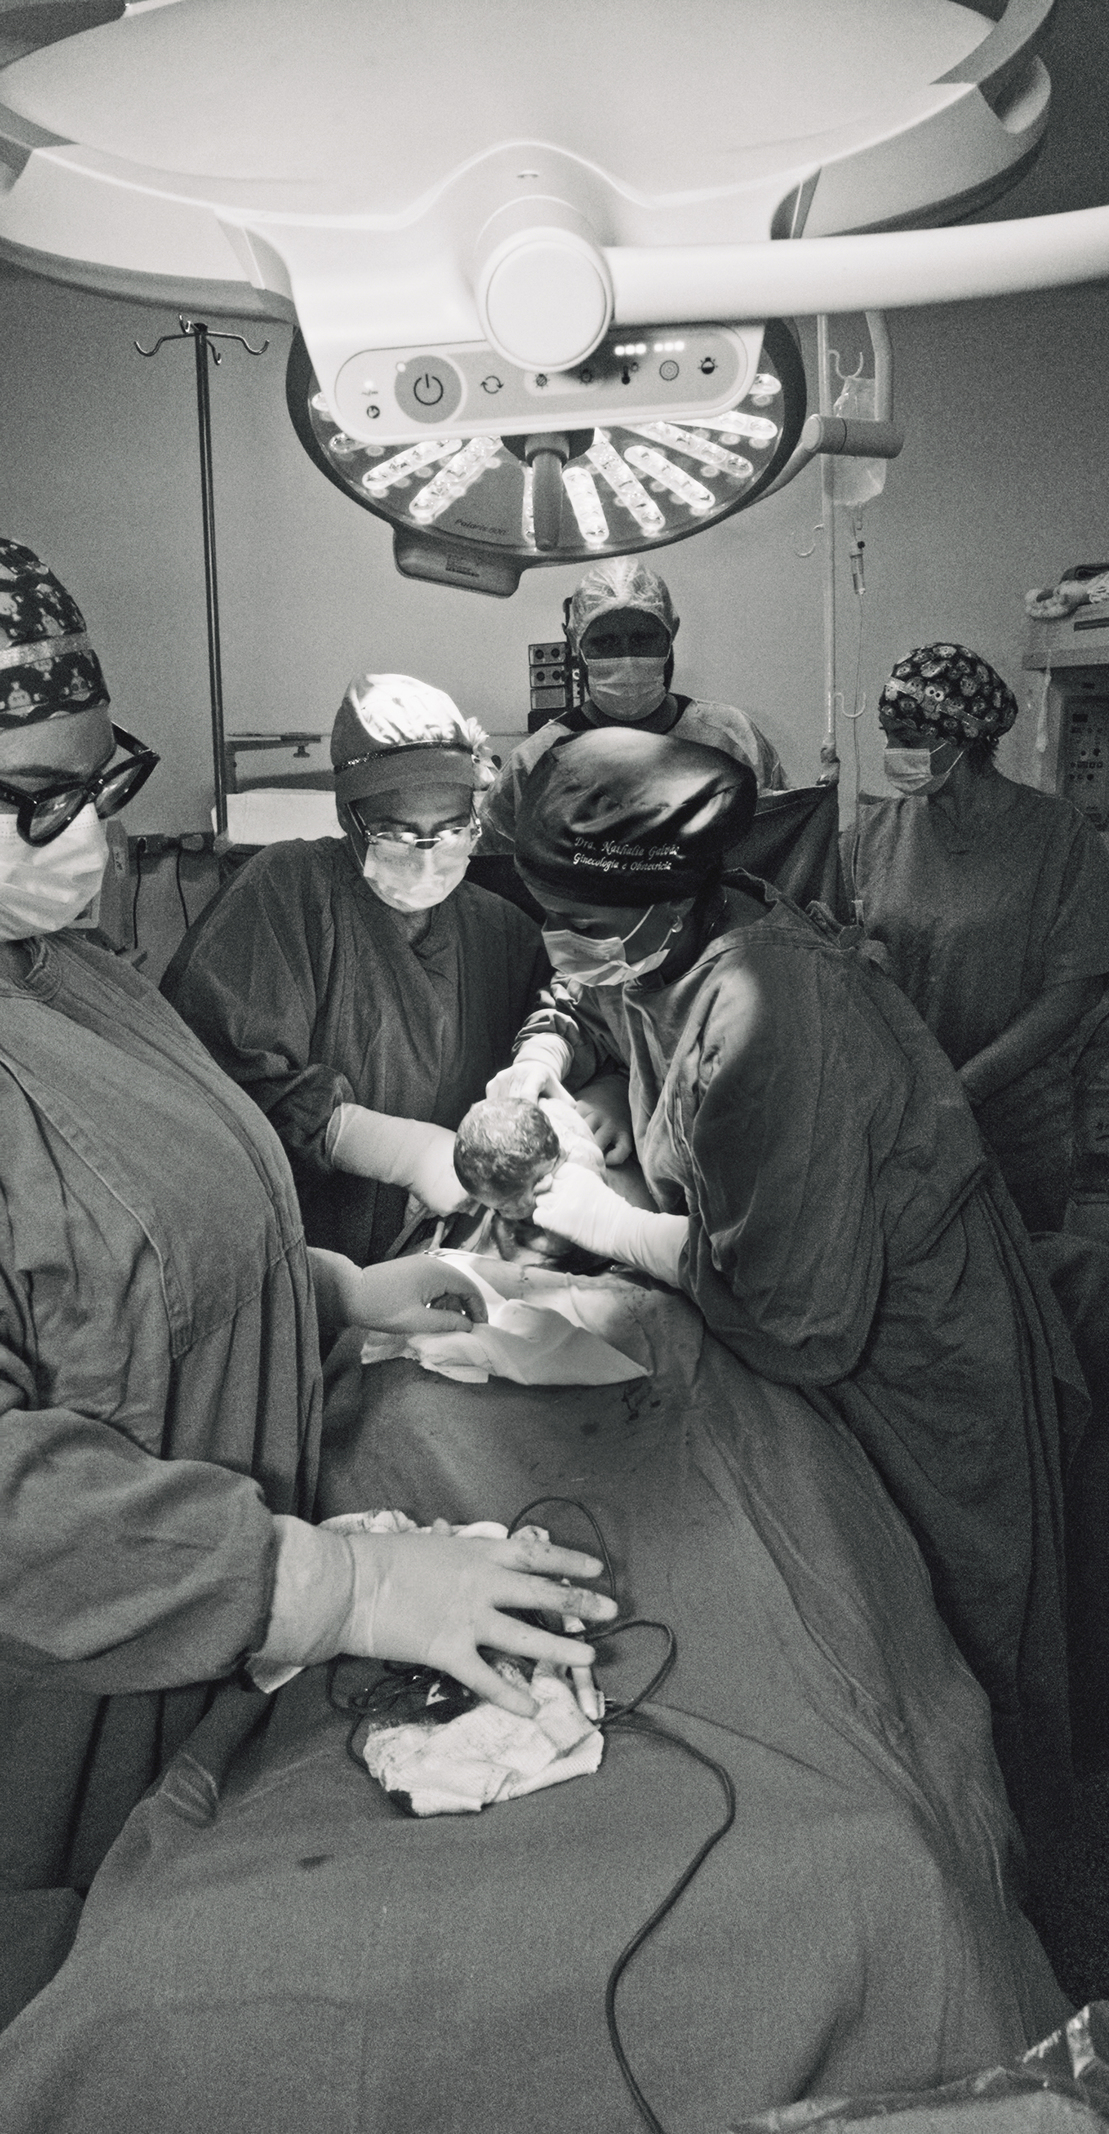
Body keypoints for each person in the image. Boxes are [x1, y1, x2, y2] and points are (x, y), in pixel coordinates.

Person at [0, 536, 616, 2023]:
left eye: (101, 782)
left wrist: (331, 1288)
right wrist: (338, 1583)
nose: (88, 835)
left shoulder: (67, 973)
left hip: (208, 1636)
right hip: (68, 1683)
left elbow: (134, 1248)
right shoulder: (260, 913)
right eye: (35, 798)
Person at [491, 724, 1089, 1858]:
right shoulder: (664, 933)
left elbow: (790, 1314)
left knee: (947, 1642)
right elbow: (586, 986)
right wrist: (543, 1059)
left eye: (580, 921)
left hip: (909, 1351)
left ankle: (992, 1880)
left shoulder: (774, 1006)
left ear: (666, 901)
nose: (561, 939)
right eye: (547, 915)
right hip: (830, 1291)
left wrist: (601, 1220)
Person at [161, 676, 551, 1265]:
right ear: (348, 816)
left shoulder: (503, 932)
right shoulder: (286, 893)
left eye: (450, 831)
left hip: (451, 1247)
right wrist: (398, 1151)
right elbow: (212, 1083)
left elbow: (565, 1036)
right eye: (397, 834)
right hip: (302, 1258)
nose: (427, 855)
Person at [843, 644, 1109, 1232]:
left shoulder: (1056, 837)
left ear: (962, 737)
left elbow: (1075, 990)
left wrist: (965, 1089)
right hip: (897, 1119)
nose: (893, 754)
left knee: (1016, 1272)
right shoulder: (871, 836)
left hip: (1013, 1122)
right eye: (887, 736)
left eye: (907, 737)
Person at [474, 554, 789, 862]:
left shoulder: (732, 738)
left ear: (671, 634)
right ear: (575, 644)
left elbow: (779, 846)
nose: (626, 658)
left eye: (642, 639)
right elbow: (495, 874)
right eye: (605, 642)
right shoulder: (534, 764)